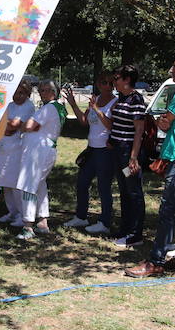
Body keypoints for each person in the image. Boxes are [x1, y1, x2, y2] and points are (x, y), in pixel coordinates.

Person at [126, 53, 175, 277]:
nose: (172, 69)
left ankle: (156, 261)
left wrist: (164, 121)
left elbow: (165, 122)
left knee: (168, 211)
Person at [62, 70, 117, 234]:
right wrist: (72, 104)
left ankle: (105, 222)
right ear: (98, 84)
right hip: (92, 149)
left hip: (105, 151)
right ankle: (81, 216)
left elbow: (110, 126)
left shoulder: (115, 102)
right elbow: (84, 122)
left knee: (103, 187)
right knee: (82, 183)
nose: (107, 86)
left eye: (110, 83)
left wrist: (97, 109)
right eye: (104, 82)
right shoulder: (96, 99)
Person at [15, 79, 64, 240]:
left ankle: (28, 225)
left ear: (53, 92)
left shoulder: (49, 107)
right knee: (40, 185)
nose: (42, 93)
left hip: (39, 152)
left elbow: (29, 125)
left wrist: (20, 124)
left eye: (45, 90)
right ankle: (43, 221)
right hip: (44, 149)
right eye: (41, 90)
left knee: (29, 185)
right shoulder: (57, 107)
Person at [110, 64, 148, 247]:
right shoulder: (122, 97)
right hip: (118, 150)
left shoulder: (136, 100)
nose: (114, 81)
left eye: (117, 78)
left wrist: (133, 157)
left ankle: (135, 233)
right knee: (124, 190)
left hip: (128, 152)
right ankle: (125, 228)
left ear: (127, 80)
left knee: (133, 191)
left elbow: (139, 130)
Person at [0, 80, 36, 227]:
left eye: (21, 93)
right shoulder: (10, 106)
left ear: (27, 94)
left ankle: (21, 213)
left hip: (18, 149)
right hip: (4, 147)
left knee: (16, 183)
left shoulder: (28, 106)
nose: (18, 96)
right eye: (15, 93)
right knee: (5, 182)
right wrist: (7, 125)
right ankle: (11, 211)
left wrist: (7, 125)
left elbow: (13, 125)